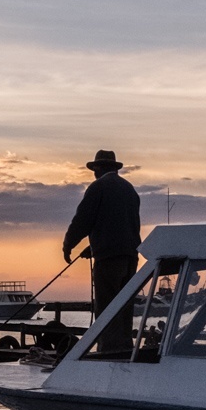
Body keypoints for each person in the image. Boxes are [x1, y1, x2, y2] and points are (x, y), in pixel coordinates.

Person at [62, 150, 141, 353]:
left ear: (98, 169)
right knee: (124, 306)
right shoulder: (129, 189)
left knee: (106, 306)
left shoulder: (98, 188)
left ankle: (107, 351)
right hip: (131, 256)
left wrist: (68, 244)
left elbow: (82, 221)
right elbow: (122, 225)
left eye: (95, 169)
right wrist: (94, 245)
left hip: (108, 258)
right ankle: (124, 348)